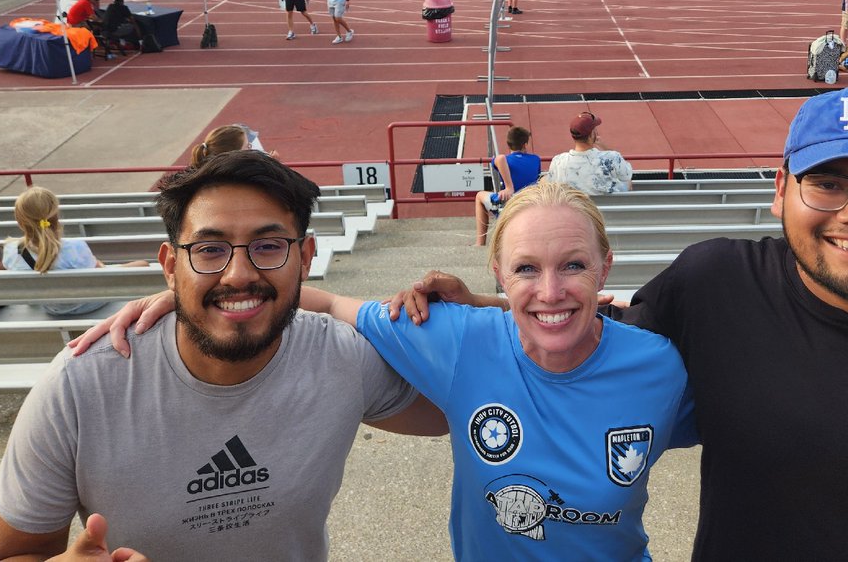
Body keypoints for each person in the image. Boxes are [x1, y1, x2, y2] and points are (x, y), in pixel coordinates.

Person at [396, 88, 848, 561]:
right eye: (829, 183)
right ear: (781, 192)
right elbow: (591, 342)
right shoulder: (714, 284)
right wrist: (497, 305)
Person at [74, 179, 696, 560]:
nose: (551, 290)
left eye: (575, 267)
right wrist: (195, 301)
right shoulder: (457, 337)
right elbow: (326, 302)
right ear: (498, 275)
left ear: (606, 268)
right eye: (527, 268)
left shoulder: (660, 367)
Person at [0, 152, 445, 561]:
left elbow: (469, 409)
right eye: (209, 250)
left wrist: (494, 308)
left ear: (305, 258)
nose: (238, 274)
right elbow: (13, 553)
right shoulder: (80, 386)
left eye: (268, 246)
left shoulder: (343, 358)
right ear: (170, 266)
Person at [0, 187, 148, 315]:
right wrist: (100, 266)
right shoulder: (74, 247)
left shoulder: (11, 250)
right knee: (143, 264)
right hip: (89, 304)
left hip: (52, 308)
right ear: (55, 216)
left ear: (20, 222)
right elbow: (98, 277)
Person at [473, 126, 541, 245]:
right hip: (531, 202)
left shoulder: (505, 159)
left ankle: (480, 243)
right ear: (525, 145)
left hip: (509, 203)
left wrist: (509, 187)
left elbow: (499, 159)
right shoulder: (536, 159)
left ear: (509, 144)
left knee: (479, 196)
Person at [547, 112, 632, 195]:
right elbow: (626, 176)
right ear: (592, 135)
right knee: (627, 181)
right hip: (607, 208)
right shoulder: (612, 157)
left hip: (574, 208)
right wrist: (605, 148)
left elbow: (550, 186)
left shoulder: (558, 161)